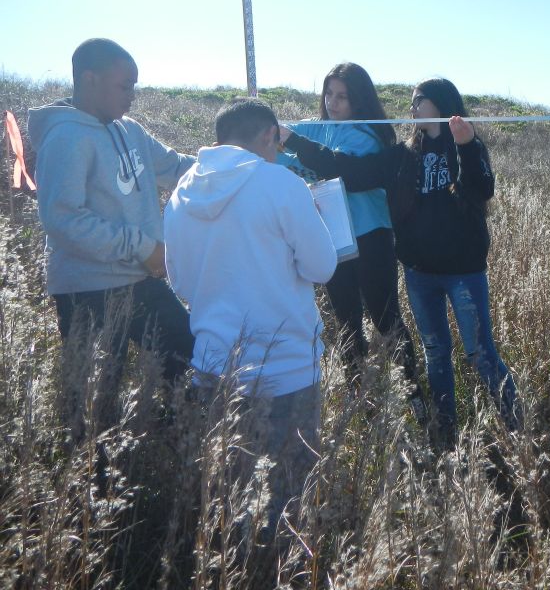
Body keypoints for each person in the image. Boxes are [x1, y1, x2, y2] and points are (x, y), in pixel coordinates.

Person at [280, 77, 518, 448]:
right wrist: (292, 140)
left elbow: (482, 189)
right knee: (436, 353)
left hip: (464, 274)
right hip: (420, 274)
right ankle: (444, 435)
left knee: (481, 353)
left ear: (440, 104)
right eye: (411, 102)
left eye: (419, 101)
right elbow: (346, 171)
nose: (412, 108)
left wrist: (467, 145)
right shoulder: (401, 156)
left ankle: (518, 429)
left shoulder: (467, 147)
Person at [163, 98, 337, 530]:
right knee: (289, 500)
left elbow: (180, 282)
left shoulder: (182, 193)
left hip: (214, 369)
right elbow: (322, 267)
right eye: (276, 144)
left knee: (232, 496)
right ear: (267, 135)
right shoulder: (280, 184)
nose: (276, 153)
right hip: (286, 368)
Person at [29, 38, 195, 435]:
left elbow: (174, 166)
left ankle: (167, 440)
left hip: (139, 281)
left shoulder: (129, 130)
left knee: (190, 355)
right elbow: (64, 221)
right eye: (125, 86)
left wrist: (233, 160)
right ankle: (93, 481)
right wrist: (143, 248)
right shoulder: (65, 138)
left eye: (135, 85)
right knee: (93, 401)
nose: (133, 96)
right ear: (89, 79)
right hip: (87, 293)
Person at [279, 63, 425, 418]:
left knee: (385, 318)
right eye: (329, 94)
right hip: (333, 239)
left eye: (343, 96)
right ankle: (360, 400)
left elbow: (334, 166)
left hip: (370, 235)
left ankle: (416, 399)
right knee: (346, 320)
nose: (333, 103)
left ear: (359, 100)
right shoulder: (318, 128)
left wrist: (291, 142)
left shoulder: (366, 135)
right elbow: (281, 139)